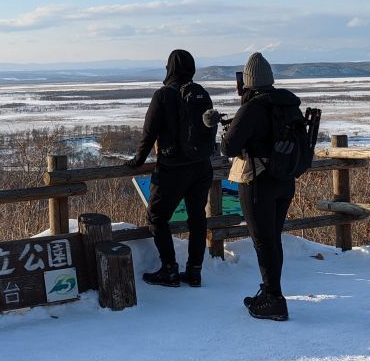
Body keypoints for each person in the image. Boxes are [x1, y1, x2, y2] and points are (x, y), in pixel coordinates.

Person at [220, 52, 301, 320]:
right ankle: (269, 292)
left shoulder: (252, 108)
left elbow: (229, 147)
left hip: (257, 181)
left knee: (262, 242)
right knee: (272, 239)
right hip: (284, 181)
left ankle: (274, 300)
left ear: (248, 81)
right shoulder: (289, 105)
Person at [124, 49, 214, 287]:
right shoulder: (201, 94)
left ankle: (169, 269)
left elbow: (149, 132)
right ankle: (194, 271)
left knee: (156, 217)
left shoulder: (163, 95)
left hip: (173, 167)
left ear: (170, 69)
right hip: (202, 166)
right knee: (198, 218)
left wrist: (137, 160)